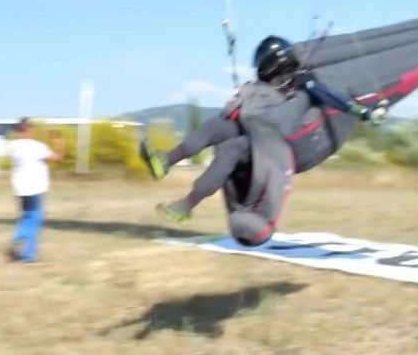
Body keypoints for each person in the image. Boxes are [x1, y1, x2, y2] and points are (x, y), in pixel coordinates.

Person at [142, 34, 386, 237]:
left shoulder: (302, 79)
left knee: (230, 150)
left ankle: (187, 204)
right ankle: (166, 161)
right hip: (250, 126)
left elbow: (327, 95)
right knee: (214, 127)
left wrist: (361, 111)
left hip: (270, 142)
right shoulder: (261, 86)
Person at [5, 119, 59, 263]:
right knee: (35, 219)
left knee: (26, 217)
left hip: (19, 188)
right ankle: (27, 253)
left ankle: (20, 240)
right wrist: (60, 144)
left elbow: (37, 160)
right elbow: (55, 157)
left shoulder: (12, 146)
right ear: (28, 130)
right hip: (35, 187)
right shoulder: (38, 147)